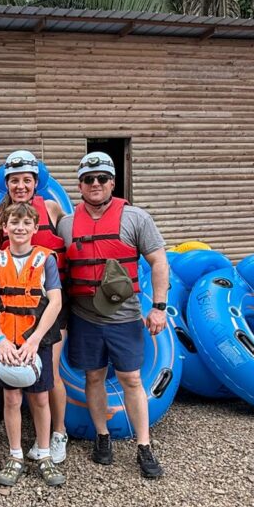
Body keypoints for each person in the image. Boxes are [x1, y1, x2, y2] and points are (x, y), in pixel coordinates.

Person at [57, 152, 169, 479]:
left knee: (131, 379)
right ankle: (102, 436)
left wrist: (159, 307)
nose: (95, 184)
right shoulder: (66, 223)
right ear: (80, 184)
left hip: (125, 316)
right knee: (93, 376)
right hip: (84, 317)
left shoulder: (136, 218)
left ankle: (144, 446)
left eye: (102, 179)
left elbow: (159, 262)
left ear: (112, 183)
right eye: (89, 179)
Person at [0, 150, 69, 466]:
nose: (20, 186)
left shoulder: (51, 208)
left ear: (35, 182)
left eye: (26, 180)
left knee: (50, 372)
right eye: (15, 181)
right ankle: (22, 446)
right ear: (7, 184)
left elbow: (67, 247)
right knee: (17, 375)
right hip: (12, 305)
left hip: (48, 300)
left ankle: (56, 435)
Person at [0, 202, 64, 487]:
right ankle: (15, 455)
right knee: (11, 398)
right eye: (14, 222)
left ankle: (44, 455)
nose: (20, 228)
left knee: (40, 398)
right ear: (5, 227)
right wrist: (0, 341)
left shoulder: (46, 260)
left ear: (35, 227)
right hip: (6, 340)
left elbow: (55, 301)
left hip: (36, 340)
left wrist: (35, 339)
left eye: (26, 223)